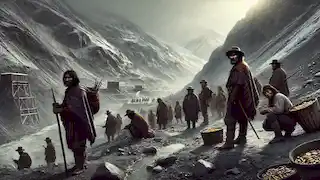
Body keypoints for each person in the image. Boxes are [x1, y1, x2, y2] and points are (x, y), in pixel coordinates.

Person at [52, 70, 96, 175]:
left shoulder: (78, 91)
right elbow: (68, 106)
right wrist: (59, 106)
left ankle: (80, 166)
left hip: (79, 123)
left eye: (69, 77)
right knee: (75, 145)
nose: (67, 79)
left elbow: (76, 110)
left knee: (78, 146)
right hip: (72, 124)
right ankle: (80, 164)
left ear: (74, 78)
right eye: (65, 78)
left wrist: (61, 110)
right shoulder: (70, 91)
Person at [219, 46, 259, 150]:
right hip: (244, 98)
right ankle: (242, 137)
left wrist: (232, 99)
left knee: (230, 119)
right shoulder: (243, 65)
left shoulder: (239, 68)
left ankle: (229, 142)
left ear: (239, 56)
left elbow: (238, 84)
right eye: (231, 55)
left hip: (239, 98)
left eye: (234, 55)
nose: (232, 57)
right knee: (242, 118)